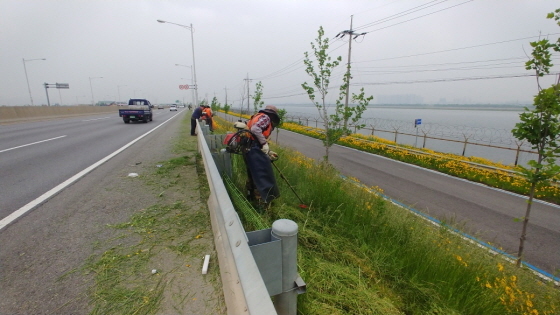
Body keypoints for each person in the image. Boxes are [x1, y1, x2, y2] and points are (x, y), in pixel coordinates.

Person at [243, 105, 281, 206]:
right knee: (262, 176)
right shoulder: (266, 117)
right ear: (273, 114)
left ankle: (250, 198)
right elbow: (255, 129)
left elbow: (255, 137)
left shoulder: (257, 116)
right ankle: (262, 204)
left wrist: (268, 151)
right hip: (254, 149)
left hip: (248, 148)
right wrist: (264, 144)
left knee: (253, 175)